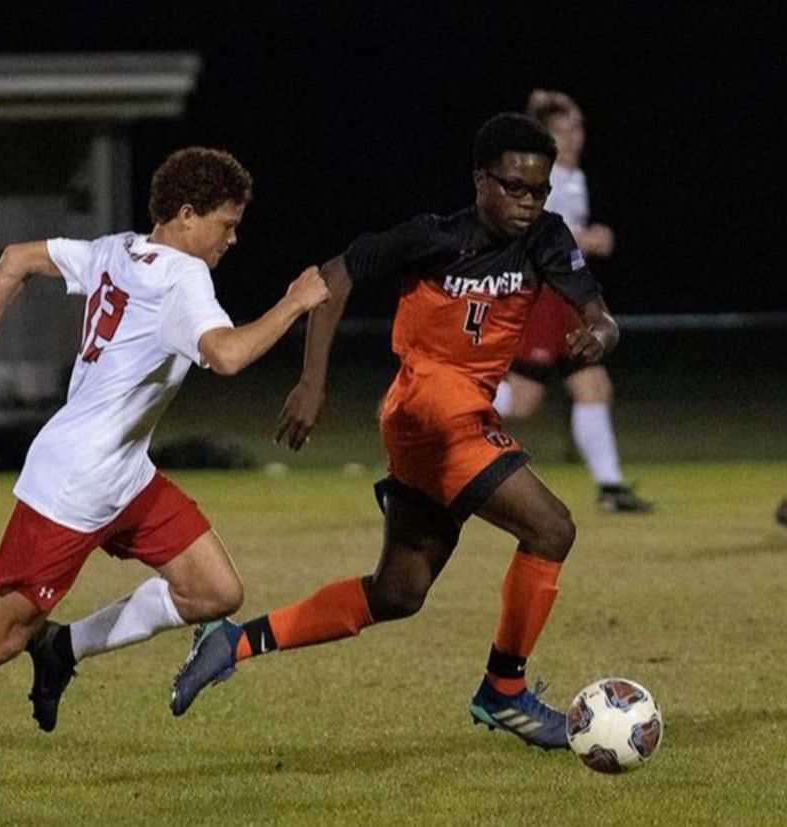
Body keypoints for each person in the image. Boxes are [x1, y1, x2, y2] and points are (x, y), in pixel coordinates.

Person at [0, 146, 330, 794]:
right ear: (187, 214)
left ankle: (62, 648)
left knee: (213, 591)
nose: (233, 238)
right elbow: (229, 354)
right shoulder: (181, 277)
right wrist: (296, 301)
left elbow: (18, 258)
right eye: (227, 223)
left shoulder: (117, 248)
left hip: (122, 471)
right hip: (72, 485)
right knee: (0, 634)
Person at [170, 114, 620, 753]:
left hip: (452, 420)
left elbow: (594, 308)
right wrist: (313, 382)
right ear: (479, 181)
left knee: (398, 591)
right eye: (513, 188)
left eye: (538, 190)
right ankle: (505, 691)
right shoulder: (433, 237)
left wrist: (602, 330)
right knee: (551, 528)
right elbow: (334, 276)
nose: (527, 203)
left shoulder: (545, 239)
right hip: (429, 407)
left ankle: (234, 641)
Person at [492, 90, 650, 513]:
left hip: (568, 300)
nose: (576, 136)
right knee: (522, 401)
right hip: (543, 298)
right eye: (565, 130)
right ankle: (432, 405)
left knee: (593, 386)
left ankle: (610, 488)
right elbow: (532, 237)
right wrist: (590, 239)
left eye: (578, 128)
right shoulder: (548, 181)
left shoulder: (572, 176)